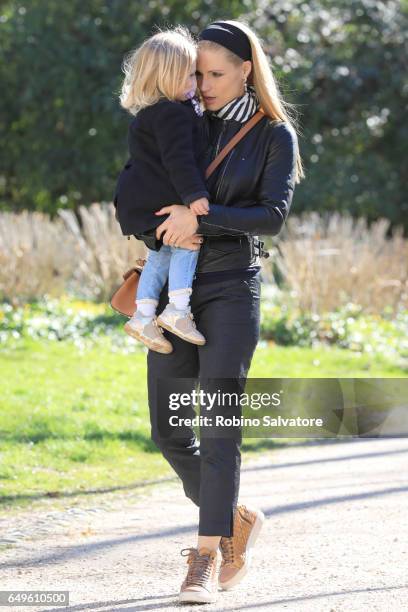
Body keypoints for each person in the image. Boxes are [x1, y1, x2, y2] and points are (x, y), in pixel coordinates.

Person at [146, 20, 305, 605]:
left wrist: (200, 219)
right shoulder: (179, 123)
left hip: (232, 288)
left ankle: (204, 559)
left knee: (217, 427)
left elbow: (271, 217)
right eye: (197, 74)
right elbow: (141, 188)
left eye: (216, 74)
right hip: (174, 297)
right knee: (168, 431)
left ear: (245, 70)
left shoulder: (274, 135)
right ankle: (235, 517)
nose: (205, 84)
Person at [114, 27, 211, 354]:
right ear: (163, 78)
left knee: (162, 251)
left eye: (193, 76)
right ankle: (177, 310)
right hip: (155, 199)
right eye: (186, 77)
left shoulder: (154, 111)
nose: (193, 84)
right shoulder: (172, 113)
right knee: (187, 241)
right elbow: (179, 161)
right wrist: (194, 196)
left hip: (139, 199)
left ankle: (143, 317)